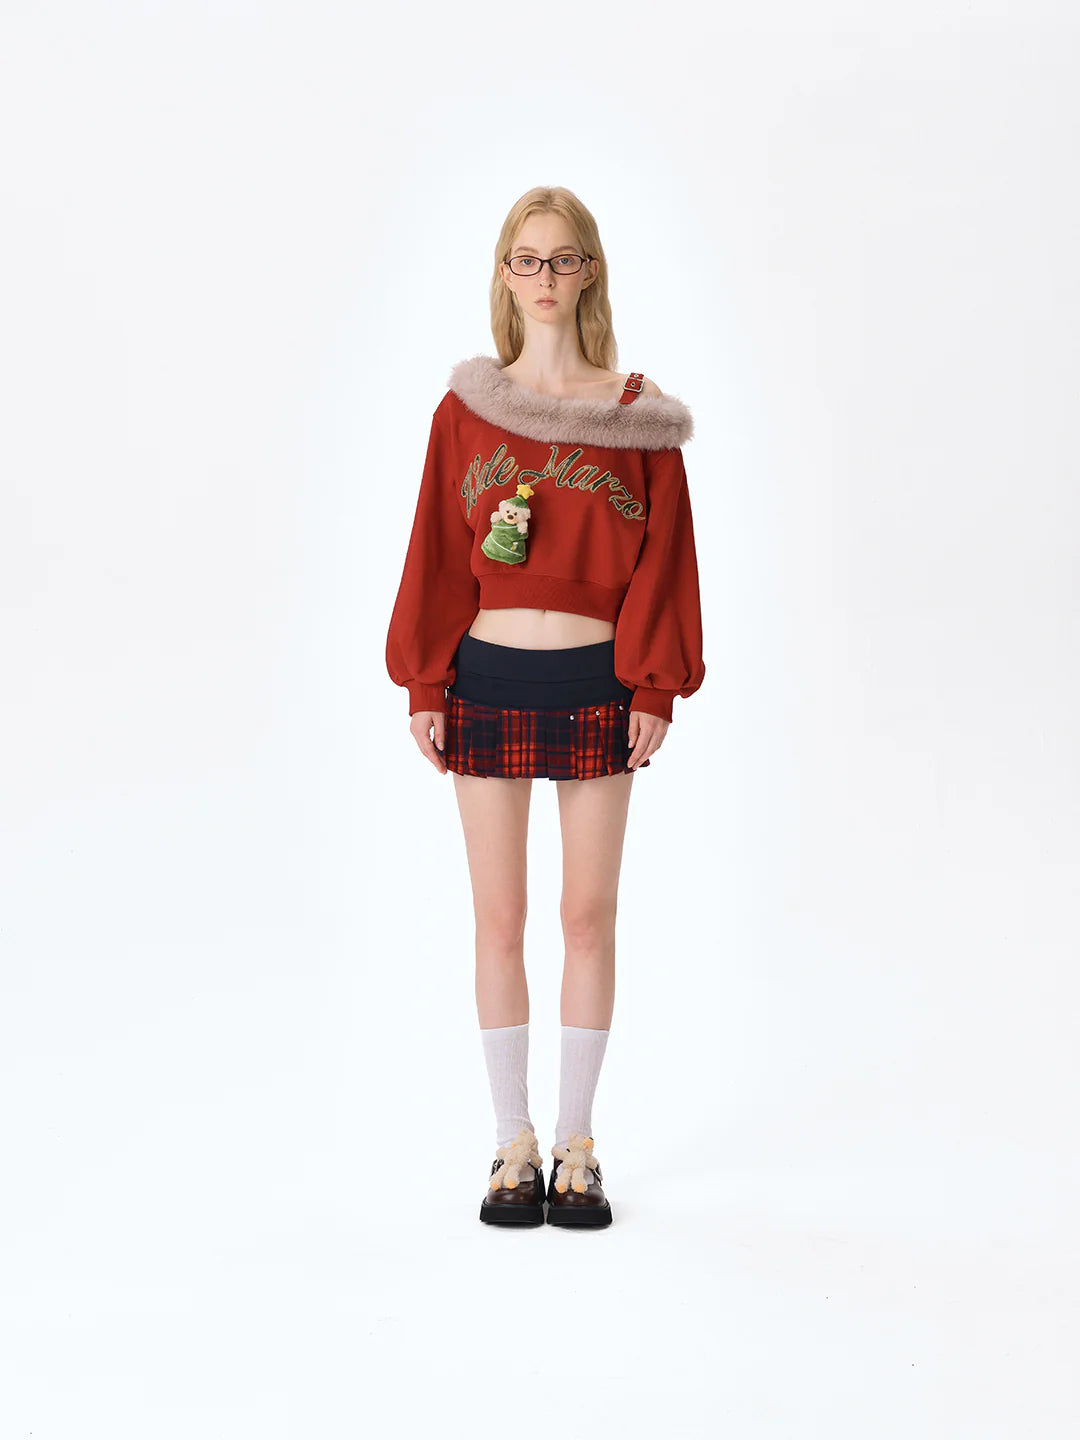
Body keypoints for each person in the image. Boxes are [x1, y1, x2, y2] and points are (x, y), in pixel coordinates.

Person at [384, 185, 705, 1227]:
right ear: (505, 274)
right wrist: (425, 682)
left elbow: (667, 562)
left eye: (563, 259)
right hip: (486, 679)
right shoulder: (466, 411)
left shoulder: (636, 416)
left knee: (586, 918)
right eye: (527, 260)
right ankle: (510, 1143)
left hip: (598, 685)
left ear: (590, 270)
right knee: (500, 917)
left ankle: (578, 1145)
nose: (545, 278)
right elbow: (437, 553)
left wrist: (654, 683)